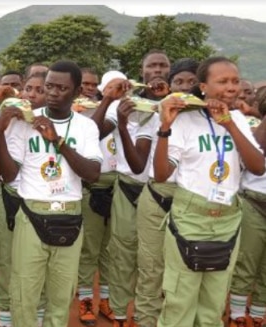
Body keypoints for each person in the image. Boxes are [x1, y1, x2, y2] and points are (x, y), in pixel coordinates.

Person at [154, 56, 265, 327]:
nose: (231, 87)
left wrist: (228, 124)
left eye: (235, 81)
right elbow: (161, 174)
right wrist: (165, 128)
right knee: (180, 301)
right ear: (203, 86)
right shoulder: (185, 120)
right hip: (191, 216)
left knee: (213, 305)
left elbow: (258, 166)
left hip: (228, 218)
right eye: (223, 81)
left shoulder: (237, 119)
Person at [0, 60, 102, 326]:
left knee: (61, 296)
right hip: (32, 213)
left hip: (70, 214)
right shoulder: (25, 122)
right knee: (25, 294)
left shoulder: (86, 126)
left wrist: (58, 141)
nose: (53, 92)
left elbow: (92, 173)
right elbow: (8, 175)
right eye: (49, 86)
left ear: (77, 92)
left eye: (62, 88)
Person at [91, 49, 171, 326]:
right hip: (128, 186)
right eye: (152, 66)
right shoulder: (127, 102)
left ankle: (149, 312)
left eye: (163, 65)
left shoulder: (182, 106)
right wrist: (112, 102)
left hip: (164, 192)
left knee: (157, 258)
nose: (158, 70)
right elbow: (96, 132)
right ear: (143, 70)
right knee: (123, 252)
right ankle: (121, 312)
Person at [133, 57, 199, 327]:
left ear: (202, 86)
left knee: (184, 270)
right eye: (178, 82)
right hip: (157, 196)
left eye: (191, 82)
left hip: (191, 202)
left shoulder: (210, 120)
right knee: (150, 268)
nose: (184, 88)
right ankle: (146, 320)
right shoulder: (157, 112)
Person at [0, 72, 47, 327]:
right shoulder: (11, 122)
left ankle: (37, 316)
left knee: (39, 266)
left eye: (40, 90)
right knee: (6, 260)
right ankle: (5, 317)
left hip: (40, 206)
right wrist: (2, 129)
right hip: (11, 198)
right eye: (28, 89)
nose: (31, 94)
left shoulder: (53, 126)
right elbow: (7, 173)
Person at [75, 70, 121, 325]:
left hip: (117, 183)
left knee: (110, 249)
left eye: (95, 85)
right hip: (92, 184)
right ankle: (84, 298)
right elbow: (95, 132)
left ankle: (105, 298)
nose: (90, 88)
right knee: (89, 248)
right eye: (87, 84)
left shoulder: (122, 109)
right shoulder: (78, 113)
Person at [227, 84, 266, 327]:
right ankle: (237, 314)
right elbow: (258, 151)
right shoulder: (255, 127)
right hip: (255, 200)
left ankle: (259, 311)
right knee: (246, 261)